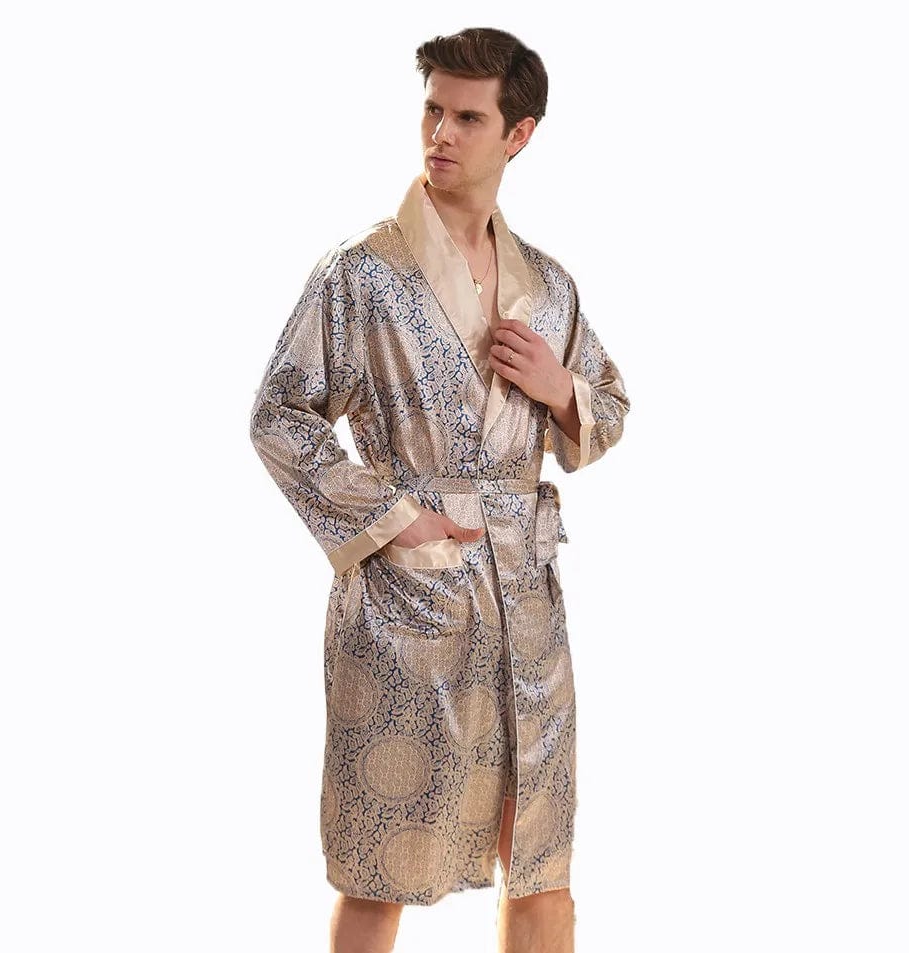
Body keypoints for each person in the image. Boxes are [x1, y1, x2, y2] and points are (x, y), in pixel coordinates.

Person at [249, 26, 631, 953]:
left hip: (527, 607)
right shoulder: (362, 272)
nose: (441, 134)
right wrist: (393, 518)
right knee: (378, 859)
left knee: (539, 858)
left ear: (518, 134)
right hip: (403, 601)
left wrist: (561, 389)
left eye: (468, 117)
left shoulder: (549, 289)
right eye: (432, 111)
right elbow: (280, 414)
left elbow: (610, 406)